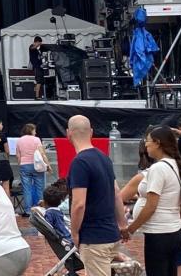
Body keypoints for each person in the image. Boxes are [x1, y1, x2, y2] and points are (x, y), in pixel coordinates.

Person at [120, 126, 181, 276]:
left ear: (158, 143)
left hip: (159, 235)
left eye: (148, 141)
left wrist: (130, 229)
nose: (146, 145)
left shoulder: (158, 168)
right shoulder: (178, 167)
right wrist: (174, 216)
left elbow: (151, 206)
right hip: (175, 230)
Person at [66, 115, 125, 276]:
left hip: (94, 238)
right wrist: (122, 224)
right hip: (111, 234)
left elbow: (79, 203)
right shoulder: (104, 158)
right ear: (91, 132)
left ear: (68, 134)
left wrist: (74, 233)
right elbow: (116, 194)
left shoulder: (80, 163)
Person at [16, 123, 51, 216]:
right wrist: (48, 165)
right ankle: (40, 210)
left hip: (24, 165)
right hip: (37, 166)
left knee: (26, 189)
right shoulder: (36, 140)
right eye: (34, 130)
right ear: (31, 130)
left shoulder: (19, 140)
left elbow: (18, 155)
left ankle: (28, 210)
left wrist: (21, 164)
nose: (35, 132)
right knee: (40, 188)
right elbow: (42, 153)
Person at [42, 180, 73, 245]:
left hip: (66, 238)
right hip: (69, 236)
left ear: (45, 202)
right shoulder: (58, 211)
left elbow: (48, 228)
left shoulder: (49, 213)